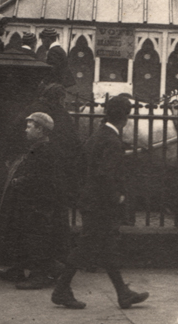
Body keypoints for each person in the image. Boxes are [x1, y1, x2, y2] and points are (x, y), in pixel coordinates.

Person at [51, 96, 149, 310]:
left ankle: (123, 293)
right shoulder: (112, 141)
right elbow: (105, 174)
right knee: (87, 246)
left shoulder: (98, 135)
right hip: (101, 204)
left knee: (106, 248)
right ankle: (61, 290)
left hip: (91, 200)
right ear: (125, 117)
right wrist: (118, 196)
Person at [0, 112, 63, 290]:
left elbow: (40, 177)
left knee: (36, 238)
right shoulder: (37, 146)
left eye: (30, 127)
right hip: (31, 201)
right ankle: (18, 269)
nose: (26, 130)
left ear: (41, 130)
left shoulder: (45, 150)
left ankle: (40, 274)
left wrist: (20, 181)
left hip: (39, 203)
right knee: (21, 234)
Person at [30, 83, 85, 266]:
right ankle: (52, 264)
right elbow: (74, 145)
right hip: (55, 176)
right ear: (61, 99)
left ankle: (24, 265)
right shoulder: (61, 116)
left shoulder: (33, 110)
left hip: (32, 175)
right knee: (53, 223)